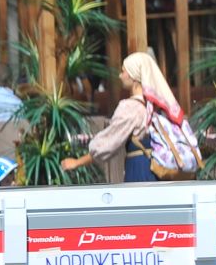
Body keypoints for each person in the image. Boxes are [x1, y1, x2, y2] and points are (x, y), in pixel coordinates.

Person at [60, 52, 181, 182]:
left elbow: (109, 141)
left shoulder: (130, 108)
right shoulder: (154, 106)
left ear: (134, 77)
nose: (120, 76)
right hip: (157, 169)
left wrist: (78, 162)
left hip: (140, 170)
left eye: (124, 71)